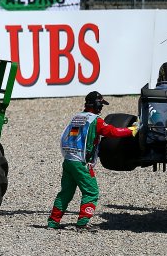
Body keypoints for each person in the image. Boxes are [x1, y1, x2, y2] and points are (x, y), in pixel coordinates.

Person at [47, 92, 137, 229]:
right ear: (96, 104)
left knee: (65, 192)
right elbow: (113, 132)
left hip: (68, 160)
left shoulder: (77, 117)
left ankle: (53, 222)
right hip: (81, 163)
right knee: (91, 191)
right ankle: (83, 223)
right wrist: (131, 131)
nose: (101, 108)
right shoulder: (95, 120)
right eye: (101, 104)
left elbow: (73, 137)